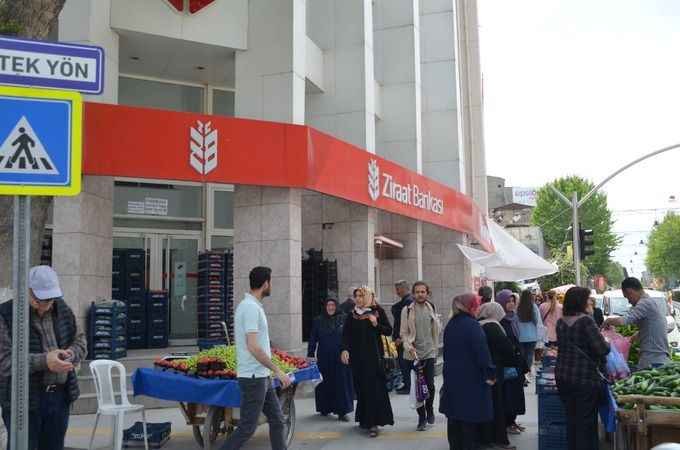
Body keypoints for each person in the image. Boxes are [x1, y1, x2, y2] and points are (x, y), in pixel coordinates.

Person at [0, 265, 87, 450]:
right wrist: (44, 361)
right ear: (27, 291)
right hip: (23, 401)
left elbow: (80, 341)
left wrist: (71, 354)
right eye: (40, 300)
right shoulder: (5, 314)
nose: (45, 305)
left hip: (59, 397)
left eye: (50, 299)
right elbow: (4, 361)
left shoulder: (63, 310)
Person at [221, 266, 292, 450]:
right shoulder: (250, 308)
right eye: (271, 282)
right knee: (247, 428)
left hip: (261, 375)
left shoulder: (252, 306)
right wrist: (277, 370)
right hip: (253, 378)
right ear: (266, 283)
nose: (271, 285)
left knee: (277, 420)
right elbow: (253, 346)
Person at [556, 286, 610, 450]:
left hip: (563, 376)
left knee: (572, 419)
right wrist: (608, 342)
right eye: (587, 299)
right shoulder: (586, 321)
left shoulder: (561, 322)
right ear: (580, 302)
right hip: (584, 378)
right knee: (586, 423)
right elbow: (602, 349)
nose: (589, 302)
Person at [441, 293, 495, 450]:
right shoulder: (472, 325)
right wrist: (490, 373)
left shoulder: (451, 324)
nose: (477, 308)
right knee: (469, 419)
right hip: (471, 378)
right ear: (470, 306)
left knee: (455, 418)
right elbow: (482, 353)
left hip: (452, 377)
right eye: (475, 305)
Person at [341, 286, 394, 437]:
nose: (358, 299)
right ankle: (365, 419)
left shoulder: (377, 311)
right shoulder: (352, 314)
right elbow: (346, 334)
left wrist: (376, 324)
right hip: (357, 360)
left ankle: (373, 423)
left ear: (368, 297)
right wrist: (344, 349)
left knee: (373, 390)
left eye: (361, 296)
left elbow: (388, 330)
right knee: (361, 389)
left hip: (374, 359)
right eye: (356, 296)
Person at [603, 277, 670, 368]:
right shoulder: (650, 302)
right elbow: (650, 327)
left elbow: (624, 321)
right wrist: (633, 337)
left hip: (653, 358)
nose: (629, 301)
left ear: (630, 291)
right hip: (656, 356)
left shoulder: (645, 303)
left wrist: (608, 321)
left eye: (627, 297)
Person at [400, 281, 441, 431]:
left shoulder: (431, 307)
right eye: (417, 292)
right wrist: (409, 346)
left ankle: (429, 408)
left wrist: (435, 348)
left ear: (427, 293)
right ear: (413, 294)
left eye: (423, 292)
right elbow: (403, 333)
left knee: (430, 385)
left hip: (429, 352)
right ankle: (421, 417)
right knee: (417, 387)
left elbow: (435, 329)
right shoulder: (407, 310)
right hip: (413, 355)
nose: (420, 294)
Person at [477, 302, 518, 450]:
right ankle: (497, 439)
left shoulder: (479, 325)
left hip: (483, 371)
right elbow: (506, 349)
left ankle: (484, 438)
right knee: (496, 405)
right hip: (495, 371)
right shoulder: (493, 326)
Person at [307, 298, 354, 422]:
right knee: (324, 383)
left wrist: (348, 351)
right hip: (324, 356)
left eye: (333, 305)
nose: (331, 307)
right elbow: (313, 338)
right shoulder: (318, 320)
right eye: (328, 305)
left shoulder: (344, 318)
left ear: (337, 306)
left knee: (341, 384)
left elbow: (349, 337)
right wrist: (310, 353)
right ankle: (324, 408)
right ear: (325, 307)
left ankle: (342, 412)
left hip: (340, 356)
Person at [495, 290, 528, 436]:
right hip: (507, 364)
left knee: (516, 393)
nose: (511, 304)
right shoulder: (500, 320)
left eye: (513, 301)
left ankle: (512, 421)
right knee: (508, 394)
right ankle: (507, 423)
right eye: (508, 301)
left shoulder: (514, 318)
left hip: (516, 361)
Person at [391, 280, 414, 395]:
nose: (396, 291)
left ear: (404, 288)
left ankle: (408, 385)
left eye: (398, 289)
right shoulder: (406, 301)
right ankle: (408, 384)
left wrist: (400, 337)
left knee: (405, 363)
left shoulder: (408, 302)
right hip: (403, 338)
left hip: (403, 338)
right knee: (404, 362)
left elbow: (406, 322)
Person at [516, 289, 544, 373]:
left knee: (522, 355)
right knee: (530, 355)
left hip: (520, 336)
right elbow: (536, 321)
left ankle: (521, 372)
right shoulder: (533, 306)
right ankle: (527, 372)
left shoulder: (518, 307)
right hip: (532, 336)